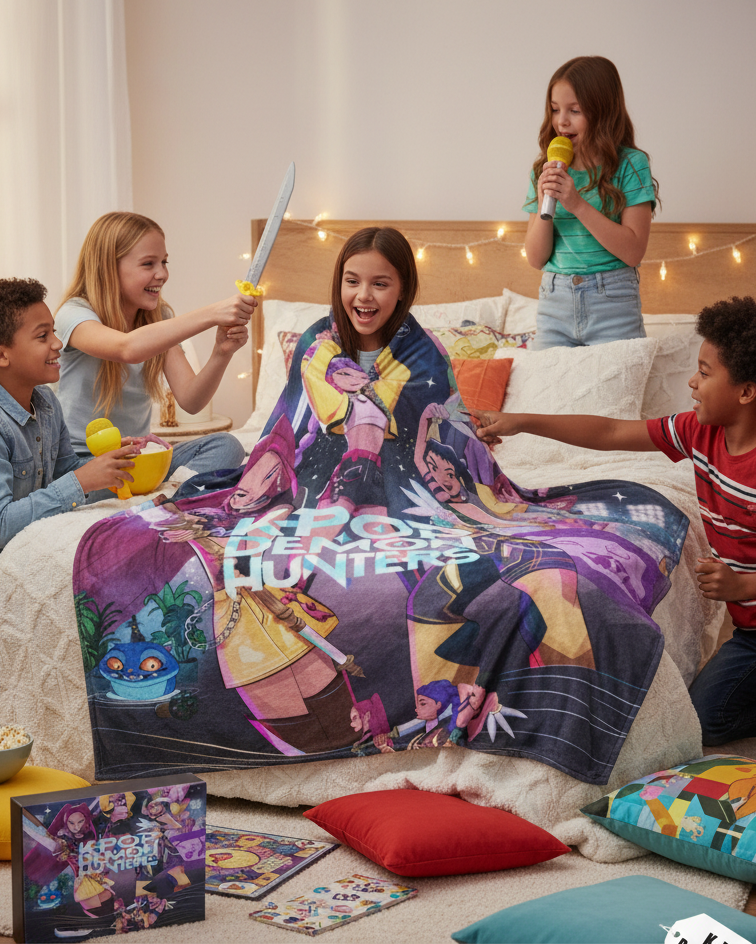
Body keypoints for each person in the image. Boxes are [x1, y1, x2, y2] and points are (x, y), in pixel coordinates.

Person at [469, 296, 756, 745]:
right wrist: (520, 420)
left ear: (746, 391)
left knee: (709, 724)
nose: (691, 381)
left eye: (704, 371)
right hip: (750, 633)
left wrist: (744, 587)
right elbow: (611, 432)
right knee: (702, 719)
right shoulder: (699, 431)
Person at [54, 211, 251, 480]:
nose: (163, 274)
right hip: (84, 463)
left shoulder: (159, 318)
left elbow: (191, 401)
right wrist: (213, 313)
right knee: (90, 481)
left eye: (164, 262)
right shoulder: (74, 315)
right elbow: (127, 349)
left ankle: (156, 498)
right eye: (149, 264)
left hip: (138, 458)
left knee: (227, 446)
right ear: (108, 268)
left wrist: (221, 353)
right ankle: (158, 496)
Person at [524, 56, 660, 348]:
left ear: (603, 111)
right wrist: (546, 200)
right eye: (555, 110)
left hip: (613, 303)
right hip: (555, 304)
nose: (561, 121)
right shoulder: (543, 169)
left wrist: (576, 204)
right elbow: (536, 259)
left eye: (575, 110)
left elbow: (634, 251)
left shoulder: (631, 165)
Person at [0, 278, 138, 549]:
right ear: (3, 355)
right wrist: (81, 480)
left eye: (54, 331)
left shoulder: (47, 403)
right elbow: (2, 525)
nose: (58, 343)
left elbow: (66, 473)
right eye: (43, 336)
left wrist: (107, 464)